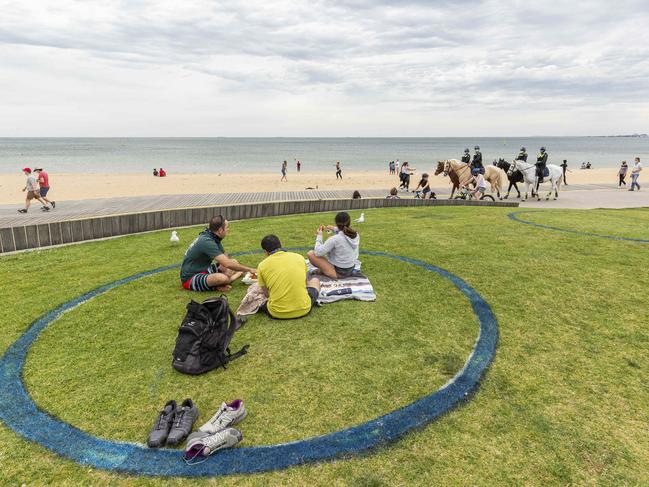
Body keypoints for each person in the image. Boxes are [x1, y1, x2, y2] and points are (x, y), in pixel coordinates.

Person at [180, 215, 256, 292]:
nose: (228, 230)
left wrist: (226, 268)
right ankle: (225, 282)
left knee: (234, 262)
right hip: (190, 278)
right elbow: (227, 264)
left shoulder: (212, 236)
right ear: (220, 230)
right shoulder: (207, 242)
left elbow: (226, 259)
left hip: (204, 269)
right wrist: (249, 269)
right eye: (227, 227)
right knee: (223, 278)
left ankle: (224, 281)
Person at [257, 235, 320, 319]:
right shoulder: (299, 257)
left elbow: (266, 294)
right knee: (315, 280)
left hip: (277, 312)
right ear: (281, 244)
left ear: (265, 251)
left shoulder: (262, 265)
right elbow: (305, 284)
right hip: (304, 308)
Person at [307, 212, 360, 279]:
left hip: (338, 273)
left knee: (311, 254)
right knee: (331, 243)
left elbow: (318, 252)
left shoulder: (335, 239)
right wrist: (334, 228)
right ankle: (324, 270)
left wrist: (319, 235)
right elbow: (343, 232)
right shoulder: (355, 235)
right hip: (350, 268)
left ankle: (325, 271)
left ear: (336, 223)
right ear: (349, 222)